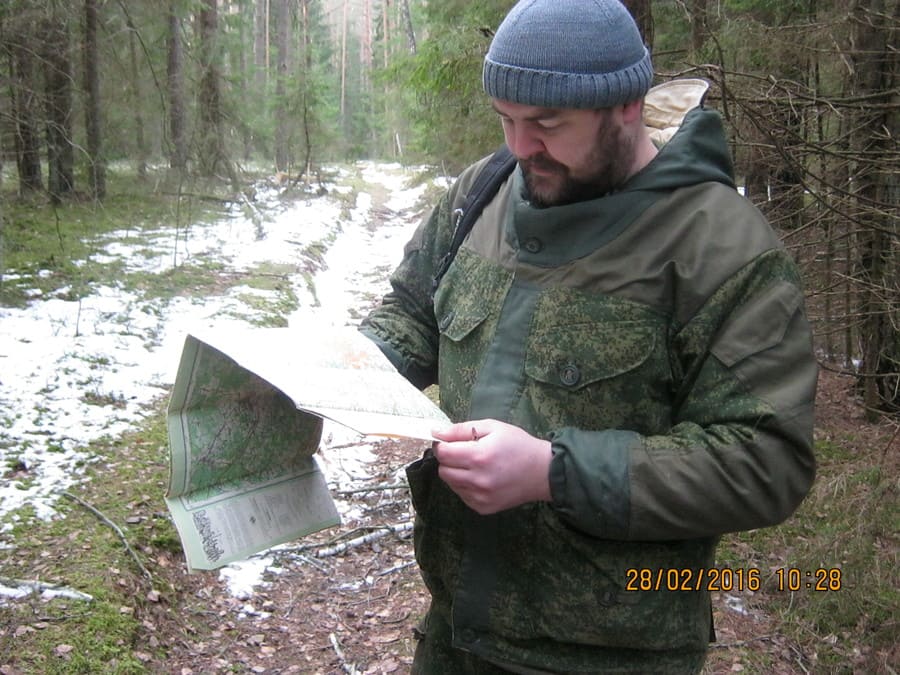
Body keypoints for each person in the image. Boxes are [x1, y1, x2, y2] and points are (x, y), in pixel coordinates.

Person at [359, 0, 818, 671]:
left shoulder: (719, 246)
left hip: (614, 655)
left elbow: (766, 461)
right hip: (454, 635)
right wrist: (352, 370)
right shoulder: (483, 192)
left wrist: (554, 472)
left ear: (627, 106)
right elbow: (412, 309)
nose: (521, 147)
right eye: (507, 119)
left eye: (547, 124)